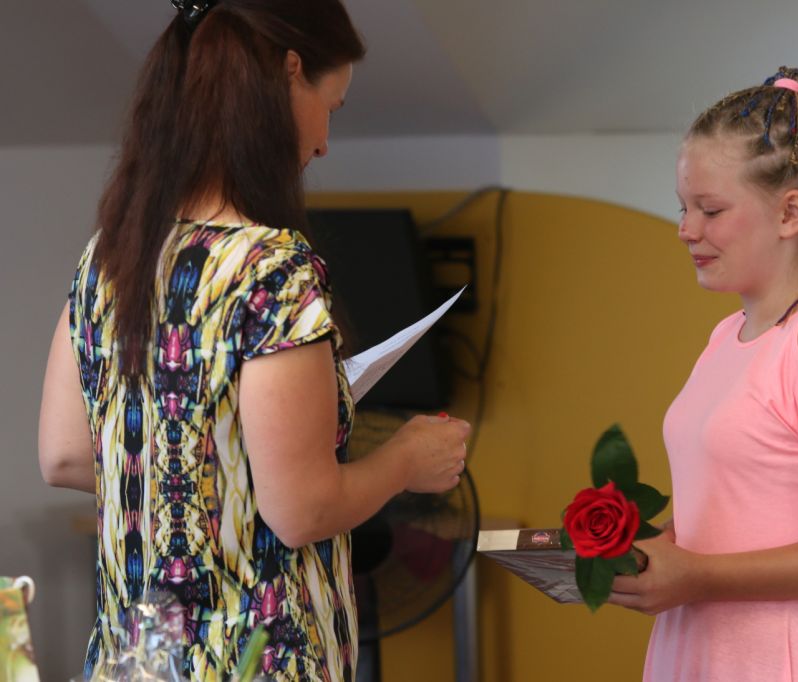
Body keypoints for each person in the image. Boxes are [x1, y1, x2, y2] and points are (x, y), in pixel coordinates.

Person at [36, 1, 471, 680]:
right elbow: (301, 510)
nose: (324, 142)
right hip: (254, 660)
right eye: (331, 106)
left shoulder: (113, 253)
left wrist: (208, 470)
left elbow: (65, 454)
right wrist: (407, 459)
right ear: (290, 73)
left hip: (136, 663)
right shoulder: (271, 270)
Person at [607, 66, 798, 680]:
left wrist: (700, 576)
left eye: (711, 209)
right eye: (684, 208)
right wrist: (657, 550)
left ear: (789, 213)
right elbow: (741, 511)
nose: (686, 230)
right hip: (695, 651)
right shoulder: (728, 336)